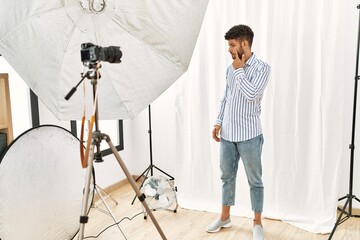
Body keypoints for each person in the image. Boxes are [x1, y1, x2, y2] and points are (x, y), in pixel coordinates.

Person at [206, 24, 270, 240]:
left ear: (245, 43)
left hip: (250, 136)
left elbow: (252, 94)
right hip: (228, 134)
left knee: (255, 181)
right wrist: (218, 121)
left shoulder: (262, 68)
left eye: (232, 45)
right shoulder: (230, 68)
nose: (229, 49)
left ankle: (257, 223)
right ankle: (225, 217)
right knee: (226, 177)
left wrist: (240, 69)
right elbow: (227, 96)